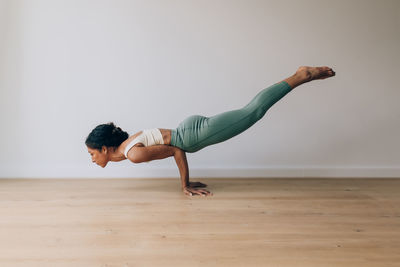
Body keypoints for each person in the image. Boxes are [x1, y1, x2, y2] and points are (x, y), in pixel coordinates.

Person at [85, 66, 335, 197]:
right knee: (250, 111)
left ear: (105, 149)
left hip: (193, 136)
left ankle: (301, 75)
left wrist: (185, 186)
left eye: (92, 153)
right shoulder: (129, 144)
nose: (92, 159)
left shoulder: (133, 154)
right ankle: (300, 76)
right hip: (188, 128)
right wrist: (186, 181)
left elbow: (176, 150)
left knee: (253, 112)